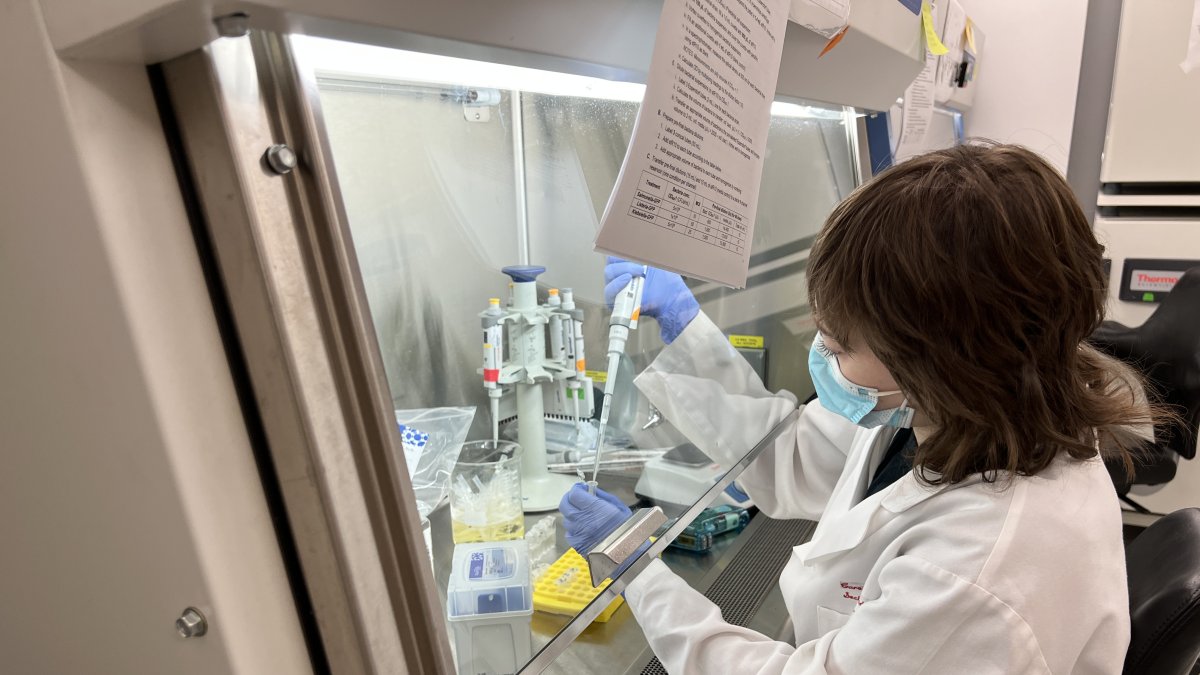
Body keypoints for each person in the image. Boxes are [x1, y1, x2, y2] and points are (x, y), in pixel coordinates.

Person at [560, 143, 1157, 674]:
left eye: (841, 344)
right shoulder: (951, 413)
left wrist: (639, 575)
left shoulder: (977, 573)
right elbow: (791, 459)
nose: (823, 353)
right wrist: (686, 332)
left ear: (941, 360)